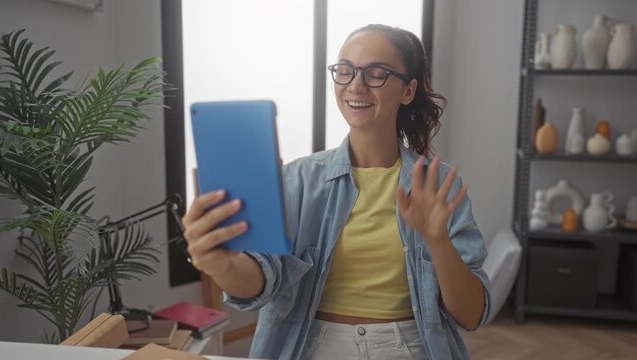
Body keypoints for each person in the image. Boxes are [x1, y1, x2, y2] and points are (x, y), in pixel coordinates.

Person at [182, 24, 491, 360]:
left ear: (407, 90)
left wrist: (438, 241)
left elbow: (471, 314)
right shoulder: (297, 180)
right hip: (311, 347)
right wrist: (220, 263)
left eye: (376, 73)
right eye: (344, 71)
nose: (355, 85)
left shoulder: (437, 185)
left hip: (410, 348)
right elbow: (260, 282)